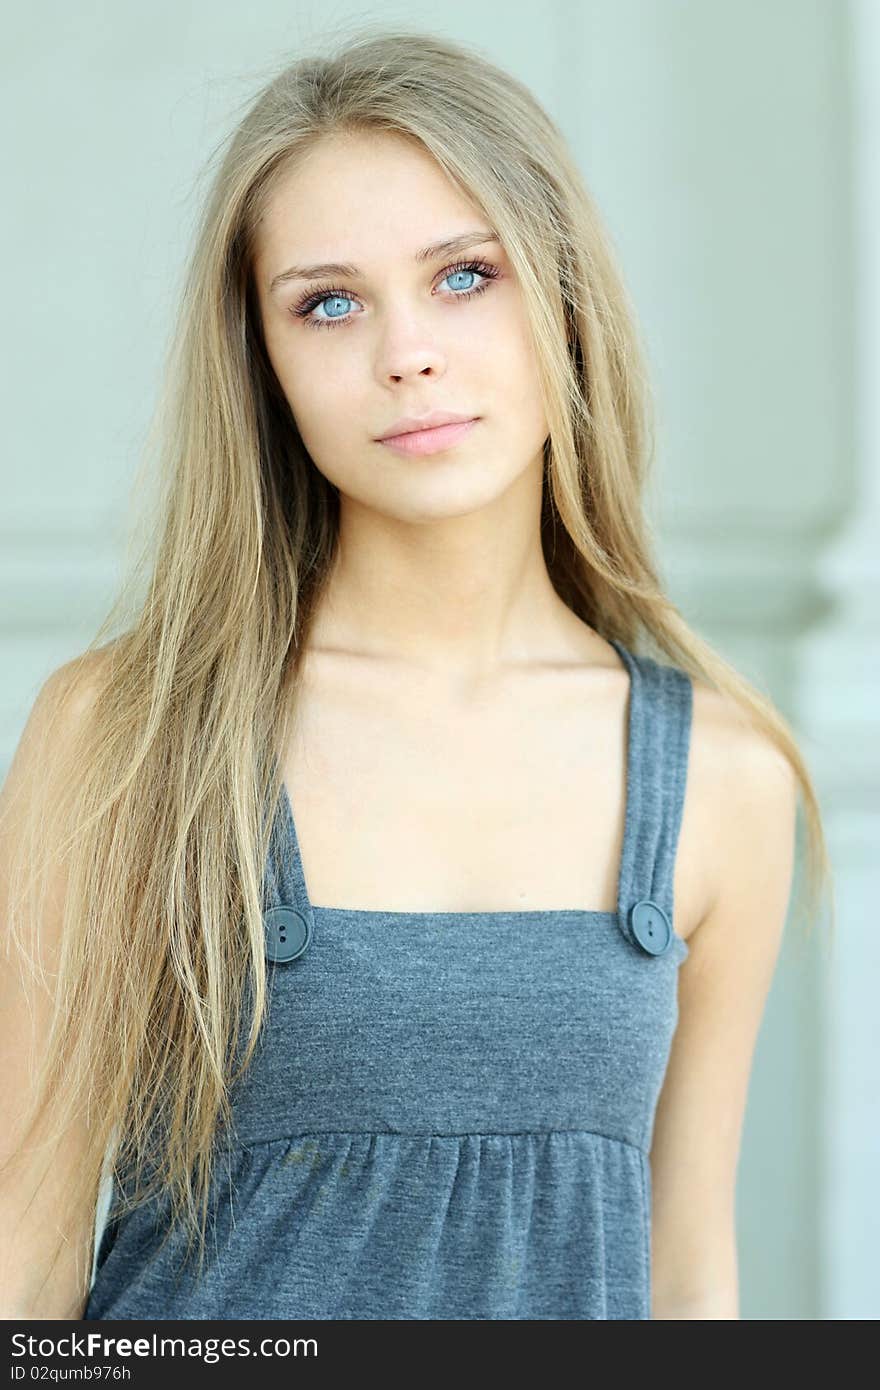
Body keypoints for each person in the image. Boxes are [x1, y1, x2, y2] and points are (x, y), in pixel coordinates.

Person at [0, 26, 832, 1322]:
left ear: (561, 294)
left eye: (464, 275)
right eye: (328, 302)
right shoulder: (123, 731)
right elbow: (27, 1250)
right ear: (262, 366)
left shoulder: (725, 778)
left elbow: (684, 1275)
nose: (407, 354)